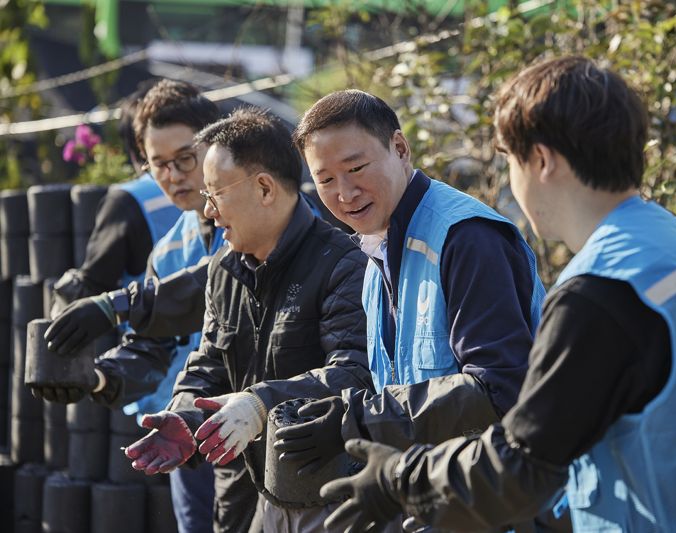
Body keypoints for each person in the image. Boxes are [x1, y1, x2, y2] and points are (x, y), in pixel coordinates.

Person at [317, 56, 676, 532]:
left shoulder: (599, 291)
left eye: (509, 160)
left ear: (541, 160)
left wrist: (399, 481)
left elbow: (524, 462)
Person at [273, 90, 554, 531]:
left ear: (400, 149)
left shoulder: (466, 238)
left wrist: (354, 422)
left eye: (356, 168)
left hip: (494, 508)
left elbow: (499, 388)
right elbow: (394, 384)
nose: (344, 193)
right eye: (325, 180)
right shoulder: (376, 253)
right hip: (427, 504)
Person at [123, 106, 374, 532]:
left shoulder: (343, 265)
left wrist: (260, 404)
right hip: (252, 494)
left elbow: (354, 373)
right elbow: (209, 363)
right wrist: (185, 415)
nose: (208, 212)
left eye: (215, 194)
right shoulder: (225, 267)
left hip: (332, 502)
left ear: (264, 188)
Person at [33, 79, 254, 533]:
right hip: (191, 434)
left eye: (185, 160)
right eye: (159, 165)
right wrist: (97, 378)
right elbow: (152, 348)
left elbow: (214, 283)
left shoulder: (257, 225)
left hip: (262, 430)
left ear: (215, 148)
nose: (173, 176)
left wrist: (115, 305)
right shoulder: (170, 250)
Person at [50, 80, 181, 315]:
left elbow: (94, 285)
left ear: (137, 147)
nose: (176, 178)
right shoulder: (219, 193)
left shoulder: (128, 200)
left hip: (154, 343)